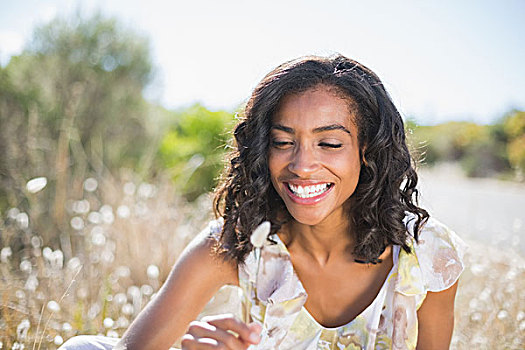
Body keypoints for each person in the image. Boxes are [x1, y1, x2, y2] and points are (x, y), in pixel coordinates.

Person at [60, 55, 467, 350]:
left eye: (329, 143)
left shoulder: (426, 256)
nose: (303, 166)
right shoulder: (231, 246)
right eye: (282, 142)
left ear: (368, 151)